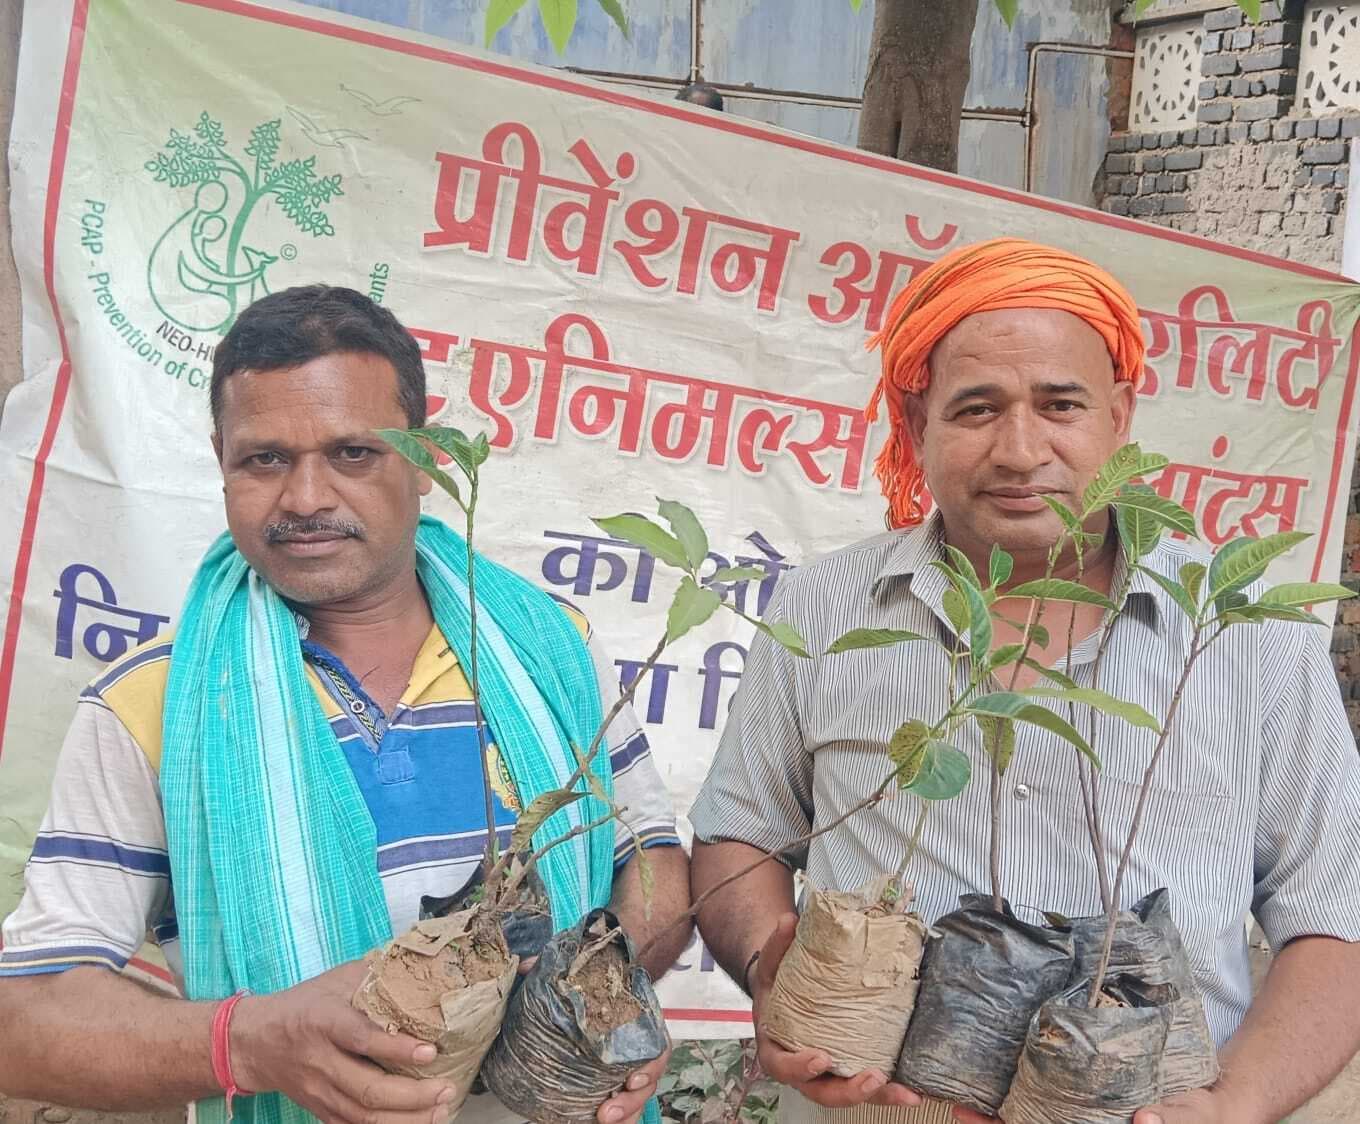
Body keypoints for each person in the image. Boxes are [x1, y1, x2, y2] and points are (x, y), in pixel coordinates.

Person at [689, 239, 1360, 1124]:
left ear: (1119, 418)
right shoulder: (822, 610)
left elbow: (1336, 917)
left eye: (1060, 405)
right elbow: (740, 837)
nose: (1019, 449)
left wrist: (1233, 1107)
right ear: (916, 423)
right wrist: (769, 967)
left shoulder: (1252, 634)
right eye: (975, 409)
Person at [0, 285, 691, 1124]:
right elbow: (23, 1019)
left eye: (354, 454)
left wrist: (607, 1002)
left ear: (430, 460)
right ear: (220, 459)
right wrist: (246, 1044)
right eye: (265, 460)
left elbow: (650, 860)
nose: (305, 498)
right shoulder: (151, 705)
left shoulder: (551, 648)